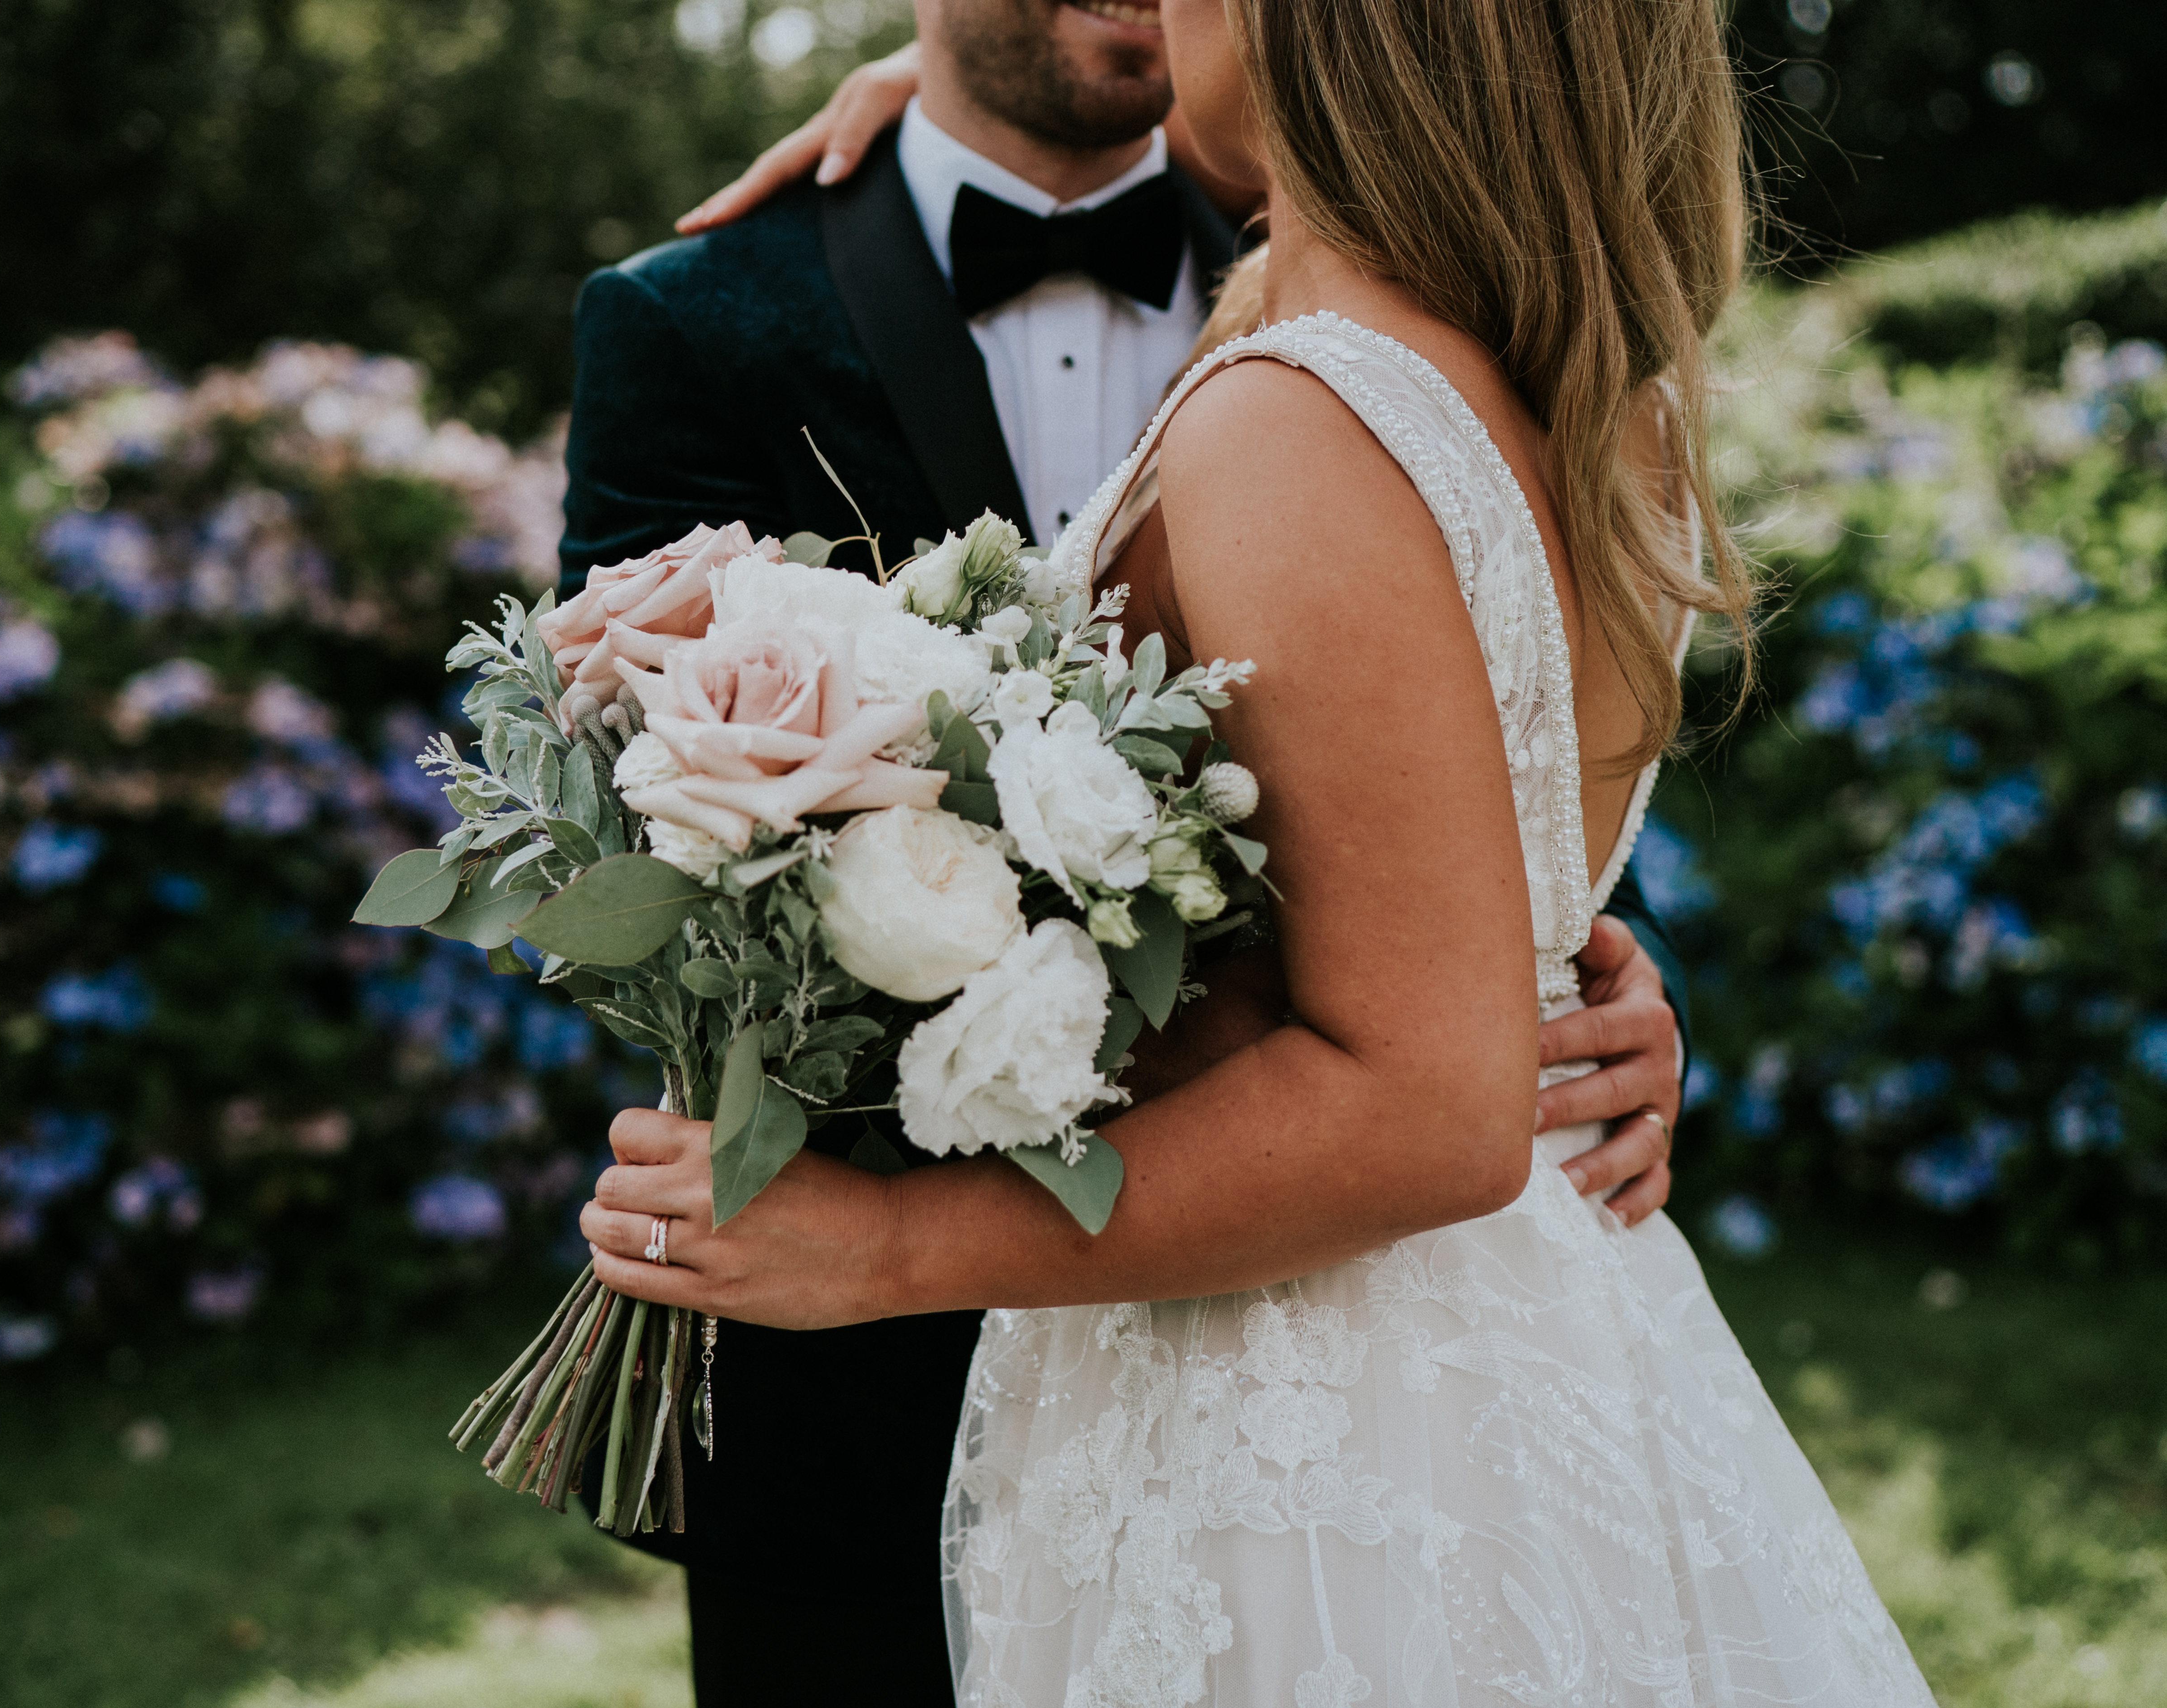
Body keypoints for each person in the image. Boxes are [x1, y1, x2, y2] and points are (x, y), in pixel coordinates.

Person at [578, 0, 1941, 1700]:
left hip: (1299, 1396)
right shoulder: (1583, 387)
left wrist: (890, 1248)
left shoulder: (1302, 410)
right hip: (1499, 1344)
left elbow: (1427, 1105)